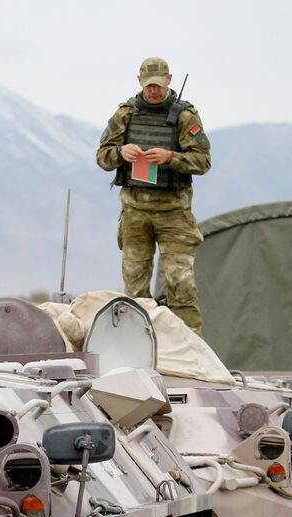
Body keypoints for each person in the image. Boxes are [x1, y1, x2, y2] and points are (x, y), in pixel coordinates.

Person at [95, 56, 211, 334]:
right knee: (135, 287)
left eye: (158, 85)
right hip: (135, 212)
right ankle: (136, 346)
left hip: (174, 214)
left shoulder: (185, 116)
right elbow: (102, 157)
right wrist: (121, 153)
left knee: (180, 285)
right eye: (149, 86)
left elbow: (203, 161)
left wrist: (172, 157)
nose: (154, 91)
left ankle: (190, 350)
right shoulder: (126, 114)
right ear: (139, 82)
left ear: (169, 81)